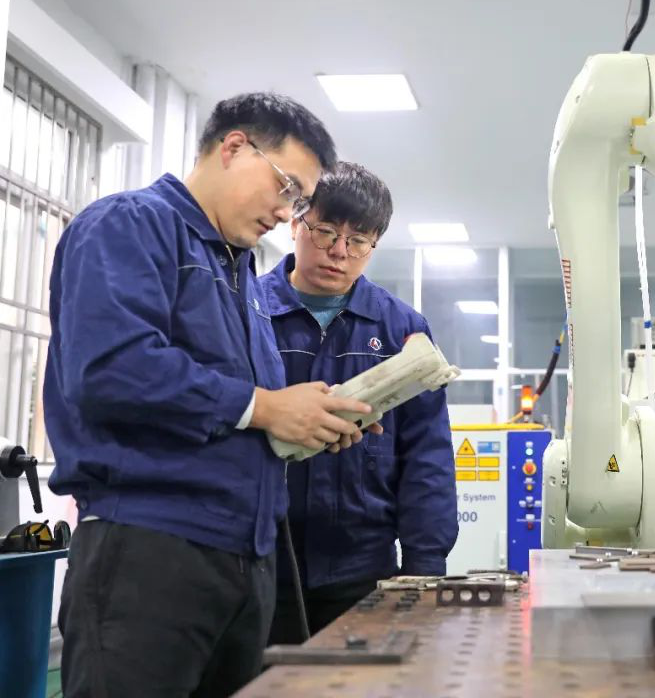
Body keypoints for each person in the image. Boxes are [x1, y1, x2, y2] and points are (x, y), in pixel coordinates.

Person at [45, 93, 375, 697]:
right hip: (148, 550)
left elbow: (243, 410)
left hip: (246, 558)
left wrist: (311, 420)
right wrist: (267, 407)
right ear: (234, 147)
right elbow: (111, 369)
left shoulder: (239, 272)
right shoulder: (130, 224)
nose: (286, 211)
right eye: (286, 187)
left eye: (299, 201)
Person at [260, 162, 457, 644]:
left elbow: (426, 456)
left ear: (375, 245)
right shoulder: (248, 311)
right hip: (258, 561)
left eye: (359, 241)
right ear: (295, 222)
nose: (339, 252)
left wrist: (424, 565)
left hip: (361, 566)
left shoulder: (400, 329)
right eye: (326, 232)